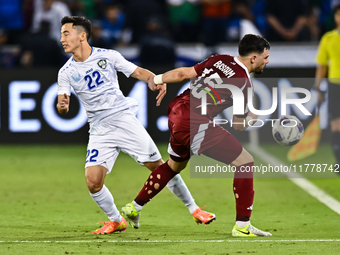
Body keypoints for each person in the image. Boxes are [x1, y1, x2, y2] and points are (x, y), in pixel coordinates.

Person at [57, 16, 216, 235]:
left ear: (82, 36)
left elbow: (138, 71)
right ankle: (116, 220)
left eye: (66, 33)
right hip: (99, 128)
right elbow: (62, 104)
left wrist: (155, 80)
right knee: (93, 182)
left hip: (123, 119)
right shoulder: (65, 72)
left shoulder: (108, 56)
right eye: (61, 34)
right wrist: (63, 105)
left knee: (160, 167)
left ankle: (195, 209)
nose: (62, 39)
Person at [122, 34, 273, 237]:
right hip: (195, 120)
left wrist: (156, 79)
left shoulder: (220, 59)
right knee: (245, 162)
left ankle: (134, 207)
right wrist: (252, 118)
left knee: (175, 165)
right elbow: (238, 125)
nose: (267, 61)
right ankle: (243, 225)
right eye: (265, 56)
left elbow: (185, 73)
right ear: (253, 58)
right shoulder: (244, 83)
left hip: (177, 109)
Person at [314, 4, 340, 173]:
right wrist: (317, 88)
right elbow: (322, 66)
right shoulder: (328, 38)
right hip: (335, 85)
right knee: (336, 126)